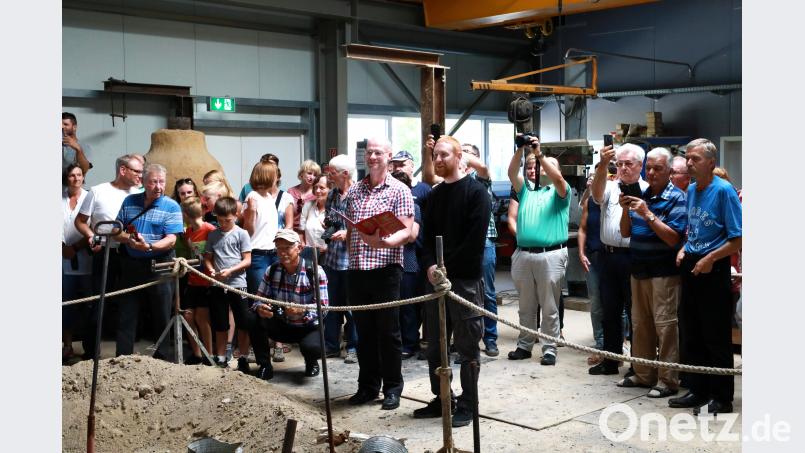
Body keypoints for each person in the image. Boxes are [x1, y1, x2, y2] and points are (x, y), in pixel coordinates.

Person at [413, 135, 491, 427]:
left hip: (464, 283)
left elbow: (473, 243)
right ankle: (443, 398)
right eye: (435, 155)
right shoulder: (434, 196)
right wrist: (430, 266)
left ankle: (469, 403)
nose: (438, 159)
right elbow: (425, 239)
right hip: (436, 280)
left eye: (444, 154)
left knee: (467, 347)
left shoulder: (477, 193)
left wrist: (443, 268)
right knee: (436, 346)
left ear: (460, 158)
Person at [669, 139, 742, 415]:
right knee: (692, 333)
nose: (689, 163)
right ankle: (697, 390)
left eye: (695, 159)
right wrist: (685, 248)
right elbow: (694, 228)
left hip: (714, 267)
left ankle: (722, 397)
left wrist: (710, 258)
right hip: (692, 265)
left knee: (716, 335)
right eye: (687, 158)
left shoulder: (724, 191)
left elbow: (738, 239)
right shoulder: (690, 190)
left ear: (711, 163)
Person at [345, 137, 414, 411]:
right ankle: (367, 386)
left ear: (388, 156)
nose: (372, 157)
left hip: (386, 269)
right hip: (357, 269)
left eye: (377, 152)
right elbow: (351, 229)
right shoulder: (355, 190)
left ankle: (393, 388)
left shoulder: (399, 190)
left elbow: (406, 230)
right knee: (363, 333)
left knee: (388, 333)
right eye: (369, 152)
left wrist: (381, 243)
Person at [617, 148, 687, 398]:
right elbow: (625, 232)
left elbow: (673, 238)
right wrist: (625, 209)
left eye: (658, 168)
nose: (652, 173)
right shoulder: (642, 194)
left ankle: (667, 380)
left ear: (669, 171)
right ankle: (643, 373)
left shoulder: (677, 198)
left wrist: (647, 214)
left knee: (665, 326)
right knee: (640, 324)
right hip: (638, 270)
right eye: (649, 168)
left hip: (663, 272)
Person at [506, 136, 570, 366]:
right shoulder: (525, 191)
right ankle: (524, 345)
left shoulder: (560, 191)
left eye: (542, 167)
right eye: (532, 168)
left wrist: (540, 155)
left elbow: (558, 178)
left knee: (549, 305)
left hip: (549, 254)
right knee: (525, 305)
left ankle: (549, 348)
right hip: (524, 254)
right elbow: (512, 173)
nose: (537, 170)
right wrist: (520, 150)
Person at [74, 154, 143, 359]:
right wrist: (91, 236)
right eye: (136, 171)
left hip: (131, 253)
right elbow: (80, 221)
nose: (140, 175)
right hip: (104, 253)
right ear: (123, 170)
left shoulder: (140, 194)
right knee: (99, 302)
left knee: (129, 303)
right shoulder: (98, 191)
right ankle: (91, 353)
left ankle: (125, 355)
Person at [588, 144, 649, 376]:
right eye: (620, 164)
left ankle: (637, 364)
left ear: (640, 166)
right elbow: (595, 195)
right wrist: (603, 165)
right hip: (609, 256)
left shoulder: (647, 190)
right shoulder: (610, 187)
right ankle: (611, 360)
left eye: (629, 164)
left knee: (636, 314)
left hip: (634, 256)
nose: (623, 168)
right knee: (609, 311)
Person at [113, 164, 184, 359]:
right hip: (131, 263)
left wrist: (150, 247)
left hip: (160, 264)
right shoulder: (129, 201)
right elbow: (116, 230)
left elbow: (172, 239)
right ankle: (122, 357)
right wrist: (129, 239)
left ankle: (162, 358)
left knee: (161, 313)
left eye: (162, 182)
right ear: (143, 182)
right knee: (126, 311)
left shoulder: (172, 206)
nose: (158, 187)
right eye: (153, 182)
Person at [251, 229, 329, 380]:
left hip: (307, 326)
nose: (282, 252)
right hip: (282, 324)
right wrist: (260, 308)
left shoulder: (315, 271)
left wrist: (303, 311)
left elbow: (324, 308)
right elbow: (257, 299)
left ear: (299, 248)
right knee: (253, 318)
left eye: (287, 248)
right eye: (279, 248)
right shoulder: (272, 270)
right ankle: (265, 365)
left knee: (313, 348)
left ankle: (311, 361)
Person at [204, 197, 254, 370]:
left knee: (243, 322)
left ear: (236, 215)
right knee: (220, 323)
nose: (224, 223)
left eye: (228, 220)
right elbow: (207, 258)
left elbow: (247, 260)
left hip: (238, 283)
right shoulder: (213, 235)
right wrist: (211, 270)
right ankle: (220, 357)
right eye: (220, 220)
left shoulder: (242, 233)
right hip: (218, 284)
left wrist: (231, 271)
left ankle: (243, 357)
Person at [462, 143, 500, 357]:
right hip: (461, 243)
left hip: (484, 241)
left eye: (468, 152)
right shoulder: (455, 179)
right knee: (463, 293)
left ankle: (491, 338)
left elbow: (484, 169)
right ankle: (467, 339)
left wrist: (462, 154)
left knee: (487, 293)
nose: (463, 155)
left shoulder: (481, 178)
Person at [321, 154, 358, 363]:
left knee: (352, 308)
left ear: (345, 174)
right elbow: (330, 217)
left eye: (332, 172)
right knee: (331, 305)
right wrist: (328, 225)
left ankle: (353, 347)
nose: (329, 176)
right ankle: (331, 345)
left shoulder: (359, 193)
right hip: (332, 259)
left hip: (351, 261)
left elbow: (365, 225)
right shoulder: (332, 195)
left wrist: (347, 233)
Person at [390, 170, 423, 360]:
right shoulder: (385, 208)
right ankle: (396, 342)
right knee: (392, 307)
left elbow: (412, 236)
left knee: (408, 308)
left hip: (408, 262)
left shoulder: (414, 207)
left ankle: (410, 343)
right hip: (388, 261)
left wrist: (390, 225)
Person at [180, 197, 217, 365]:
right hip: (192, 280)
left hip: (206, 281)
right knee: (187, 316)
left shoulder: (210, 229)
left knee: (202, 318)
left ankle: (208, 354)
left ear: (186, 215)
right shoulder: (188, 232)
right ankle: (197, 354)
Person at [62, 164, 91, 362]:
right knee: (66, 304)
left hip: (86, 256)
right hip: (62, 258)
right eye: (72, 175)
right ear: (67, 178)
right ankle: (67, 346)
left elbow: (93, 225)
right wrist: (63, 248)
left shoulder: (90, 197)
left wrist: (76, 247)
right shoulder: (59, 198)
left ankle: (90, 347)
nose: (76, 178)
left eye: (79, 175)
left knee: (89, 305)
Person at [288, 160, 321, 238]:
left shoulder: (317, 194)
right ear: (302, 174)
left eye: (315, 175)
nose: (312, 177)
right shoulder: (291, 192)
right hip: (291, 233)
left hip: (310, 235)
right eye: (309, 173)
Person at [300, 174, 330, 254]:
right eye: (316, 187)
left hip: (329, 256)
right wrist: (303, 244)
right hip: (309, 255)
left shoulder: (335, 209)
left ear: (331, 189)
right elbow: (301, 231)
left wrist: (327, 249)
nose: (317, 191)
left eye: (322, 188)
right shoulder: (308, 206)